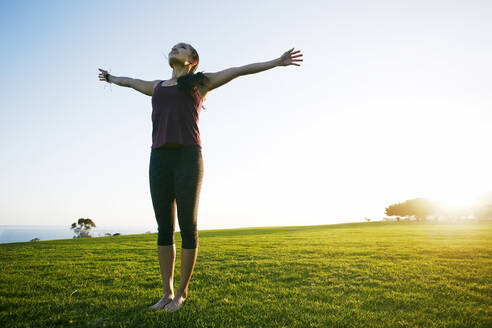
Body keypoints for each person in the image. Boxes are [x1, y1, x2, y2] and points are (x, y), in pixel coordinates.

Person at [98, 42, 303, 312]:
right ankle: (166, 292)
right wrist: (112, 79)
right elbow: (132, 82)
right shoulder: (157, 87)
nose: (174, 49)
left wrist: (277, 62)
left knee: (187, 226)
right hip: (159, 159)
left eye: (181, 48)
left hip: (188, 159)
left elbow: (239, 70)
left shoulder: (200, 84)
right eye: (172, 47)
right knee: (164, 228)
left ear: (192, 59)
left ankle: (181, 293)